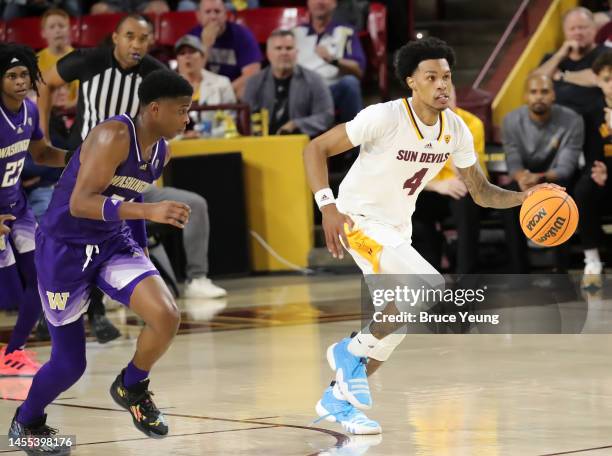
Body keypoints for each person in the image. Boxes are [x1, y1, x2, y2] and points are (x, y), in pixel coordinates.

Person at [303, 37, 562, 434]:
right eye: (432, 77)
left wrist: (528, 197)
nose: (442, 85)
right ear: (412, 82)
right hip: (359, 219)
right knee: (427, 287)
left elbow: (481, 192)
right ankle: (347, 351)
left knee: (399, 322)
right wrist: (327, 206)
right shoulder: (384, 117)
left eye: (447, 77)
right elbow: (315, 148)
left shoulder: (455, 129)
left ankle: (338, 399)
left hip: (396, 229)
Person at [8, 70, 193, 450]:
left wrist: (140, 250)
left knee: (166, 314)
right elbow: (81, 202)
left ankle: (132, 385)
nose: (187, 118)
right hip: (64, 248)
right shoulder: (113, 135)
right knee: (70, 364)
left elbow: (135, 193)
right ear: (155, 109)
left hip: (112, 242)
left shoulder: (161, 149)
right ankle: (27, 423)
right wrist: (149, 214)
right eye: (182, 110)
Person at [0, 44, 67, 376]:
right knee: (6, 291)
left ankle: (14, 352)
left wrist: (78, 158)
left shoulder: (29, 110)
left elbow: (41, 154)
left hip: (18, 209)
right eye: (11, 75)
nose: (19, 81)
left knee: (40, 279)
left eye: (24, 74)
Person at [501, 73, 583, 273]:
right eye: (533, 92)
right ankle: (518, 270)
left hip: (557, 179)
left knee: (563, 198)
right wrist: (523, 179)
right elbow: (512, 160)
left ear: (553, 95)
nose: (539, 96)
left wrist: (540, 180)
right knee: (508, 198)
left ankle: (561, 270)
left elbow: (566, 167)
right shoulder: (510, 120)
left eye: (544, 91)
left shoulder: (572, 120)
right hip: (525, 179)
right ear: (526, 96)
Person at [411, 85, 486, 273]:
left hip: (463, 189)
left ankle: (465, 279)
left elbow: (471, 176)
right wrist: (437, 185)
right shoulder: (413, 128)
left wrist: (450, 131)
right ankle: (429, 274)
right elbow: (406, 177)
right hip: (433, 190)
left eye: (447, 95)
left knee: (466, 199)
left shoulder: (472, 123)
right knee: (410, 204)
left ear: (455, 97)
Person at [243, 29, 334, 138]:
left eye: (289, 48)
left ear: (296, 52)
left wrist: (296, 124)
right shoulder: (254, 82)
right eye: (278, 48)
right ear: (268, 54)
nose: (284, 52)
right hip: (262, 144)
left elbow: (326, 116)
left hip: (301, 144)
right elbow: (246, 117)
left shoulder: (315, 80)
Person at [293, 0, 366, 124]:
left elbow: (358, 71)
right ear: (308, 3)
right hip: (300, 91)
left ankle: (353, 140)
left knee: (350, 83)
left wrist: (333, 60)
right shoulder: (295, 33)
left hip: (331, 90)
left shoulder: (345, 31)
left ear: (335, 3)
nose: (320, 2)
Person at [575, 50, 611, 288]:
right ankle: (593, 258)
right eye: (607, 79)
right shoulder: (591, 112)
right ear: (598, 80)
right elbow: (592, 155)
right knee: (583, 190)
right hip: (602, 175)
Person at [534, 6, 605, 115]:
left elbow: (598, 77)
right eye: (572, 29)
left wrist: (563, 76)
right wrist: (560, 55)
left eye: (582, 27)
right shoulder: (552, 58)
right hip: (555, 122)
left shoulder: (606, 53)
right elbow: (534, 82)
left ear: (594, 28)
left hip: (594, 121)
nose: (577, 32)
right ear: (565, 32)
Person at [188, 0, 262, 99]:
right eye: (208, 12)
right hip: (203, 89)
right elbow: (191, 74)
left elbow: (252, 73)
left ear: (225, 15)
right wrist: (206, 46)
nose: (213, 17)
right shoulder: (192, 37)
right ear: (198, 16)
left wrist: (225, 92)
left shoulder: (242, 35)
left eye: (217, 11)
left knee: (245, 90)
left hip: (233, 88)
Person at [175, 34, 236, 134]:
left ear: (203, 57)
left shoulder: (222, 83)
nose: (187, 56)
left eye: (192, 52)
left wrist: (206, 134)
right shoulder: (166, 89)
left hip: (214, 143)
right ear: (177, 60)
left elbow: (230, 120)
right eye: (182, 53)